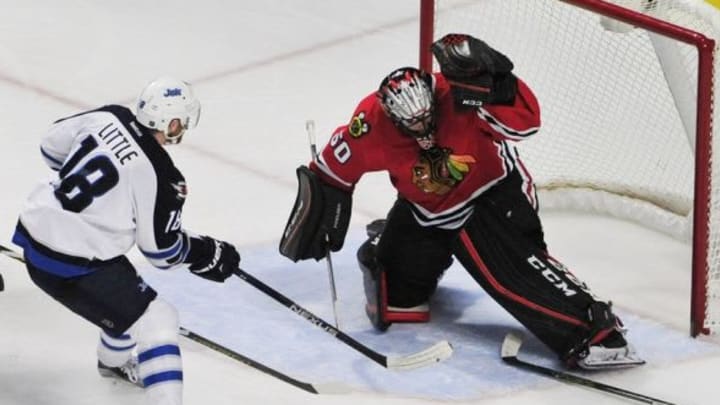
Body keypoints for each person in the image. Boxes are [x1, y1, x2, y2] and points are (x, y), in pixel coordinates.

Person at [279, 34, 645, 370]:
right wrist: (323, 206)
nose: (424, 129)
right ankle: (395, 242)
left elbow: (526, 125)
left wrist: (501, 85)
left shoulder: (458, 93)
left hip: (491, 198)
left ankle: (596, 330)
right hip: (426, 212)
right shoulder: (370, 126)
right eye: (413, 125)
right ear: (389, 115)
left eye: (428, 119)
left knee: (512, 277)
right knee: (394, 298)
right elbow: (331, 168)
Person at [11, 77, 240, 405]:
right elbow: (161, 251)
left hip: (34, 238)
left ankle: (114, 364)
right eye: (183, 121)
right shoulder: (165, 176)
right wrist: (206, 252)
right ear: (172, 123)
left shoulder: (109, 116)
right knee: (159, 318)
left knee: (127, 296)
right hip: (74, 266)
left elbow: (50, 146)